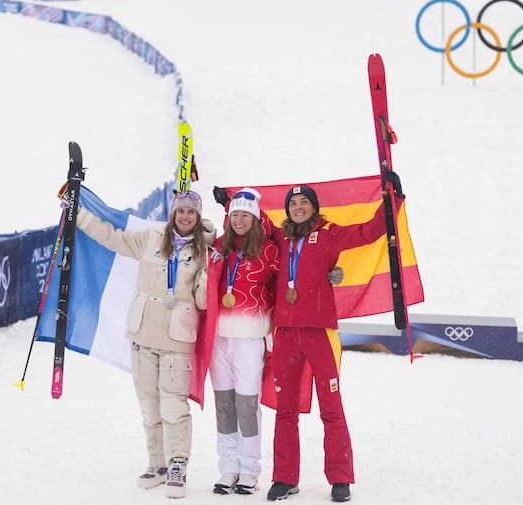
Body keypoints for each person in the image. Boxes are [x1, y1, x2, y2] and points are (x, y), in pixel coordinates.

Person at [226, 176, 400, 503]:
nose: (298, 207)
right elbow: (250, 221)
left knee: (331, 407)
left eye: (304, 202)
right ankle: (285, 478)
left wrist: (393, 198)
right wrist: (229, 200)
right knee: (285, 410)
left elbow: (370, 230)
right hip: (287, 334)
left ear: (314, 208)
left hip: (320, 333)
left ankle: (340, 478)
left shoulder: (330, 234)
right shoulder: (277, 236)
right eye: (293, 203)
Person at [75, 189, 215, 499]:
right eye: (181, 212)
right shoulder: (151, 238)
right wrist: (79, 215)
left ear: (198, 216)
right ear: (173, 214)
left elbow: (204, 302)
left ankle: (178, 464)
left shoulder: (205, 251)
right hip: (142, 335)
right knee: (149, 406)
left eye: (191, 212)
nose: (185, 217)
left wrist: (209, 271)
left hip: (177, 339)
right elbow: (111, 237)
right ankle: (157, 464)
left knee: (174, 407)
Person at [207, 188, 280, 495]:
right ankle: (228, 468)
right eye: (234, 214)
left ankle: (250, 470)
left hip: (251, 339)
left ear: (256, 218)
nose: (239, 220)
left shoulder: (270, 249)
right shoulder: (219, 246)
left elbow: (293, 274)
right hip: (219, 340)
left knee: (247, 406)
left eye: (245, 215)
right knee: (224, 405)